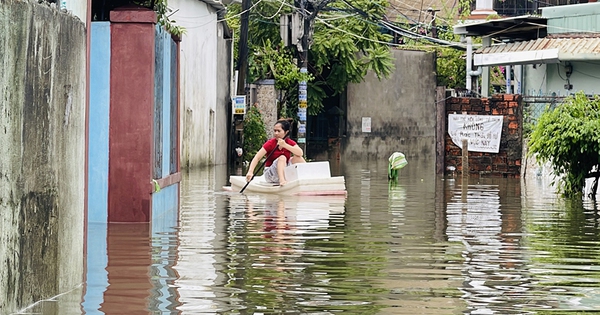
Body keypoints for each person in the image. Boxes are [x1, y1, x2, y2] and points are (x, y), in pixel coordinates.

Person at [246, 119, 306, 186]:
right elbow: (257, 157)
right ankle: (282, 181)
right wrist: (250, 172)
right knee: (282, 158)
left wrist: (285, 145)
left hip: (284, 170)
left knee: (298, 158)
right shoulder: (270, 143)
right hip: (270, 175)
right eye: (275, 131)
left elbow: (300, 153)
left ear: (286, 132)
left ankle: (306, 179)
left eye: (279, 131)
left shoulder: (289, 142)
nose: (276, 133)